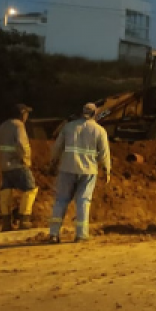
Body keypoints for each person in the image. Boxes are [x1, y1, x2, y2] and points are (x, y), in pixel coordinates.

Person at [48, 103, 111, 243]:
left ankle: (53, 234)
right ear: (95, 113)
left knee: (61, 200)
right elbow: (104, 153)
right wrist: (106, 170)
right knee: (83, 201)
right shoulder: (99, 131)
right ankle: (81, 235)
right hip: (88, 171)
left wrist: (52, 163)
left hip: (67, 168)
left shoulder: (69, 127)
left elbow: (57, 147)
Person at [0, 103, 38, 231]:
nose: (27, 116)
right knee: (30, 188)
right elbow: (22, 145)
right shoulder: (19, 126)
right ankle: (24, 220)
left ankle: (6, 223)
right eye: (26, 113)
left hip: (4, 165)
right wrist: (26, 160)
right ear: (21, 114)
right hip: (17, 164)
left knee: (6, 189)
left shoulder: (3, 125)